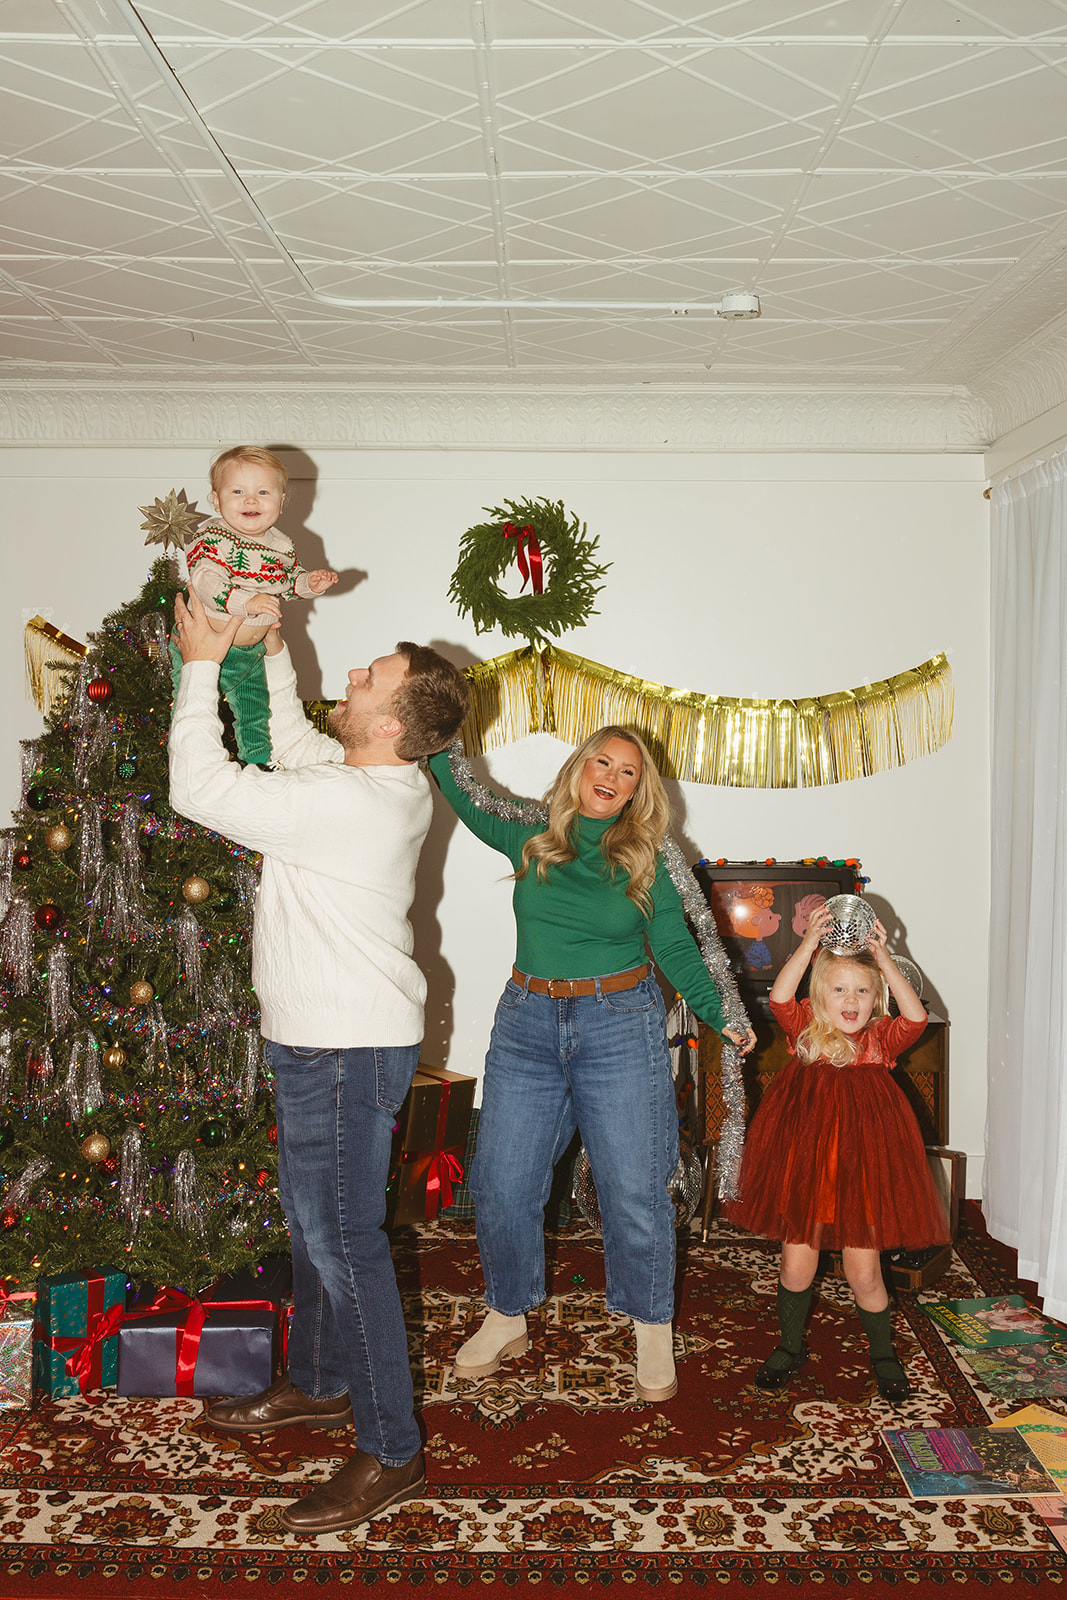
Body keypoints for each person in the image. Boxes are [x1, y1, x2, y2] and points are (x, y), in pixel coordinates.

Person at [168, 587, 469, 1534]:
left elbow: (200, 788)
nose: (350, 675)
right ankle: (323, 1382)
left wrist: (203, 660)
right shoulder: (372, 781)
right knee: (313, 1229)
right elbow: (298, 748)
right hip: (323, 1039)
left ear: (386, 721)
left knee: (345, 1244)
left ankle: (391, 1451)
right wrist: (269, 636)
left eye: (367, 675)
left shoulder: (351, 801)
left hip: (342, 1050)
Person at [427, 728, 755, 1402]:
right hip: (526, 1023)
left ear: (639, 790)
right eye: (601, 762)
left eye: (627, 772)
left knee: (634, 1188)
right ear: (578, 770)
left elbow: (675, 945)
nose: (611, 776)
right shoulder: (530, 839)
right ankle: (506, 1313)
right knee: (501, 1181)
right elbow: (463, 793)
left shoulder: (645, 859)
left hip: (618, 1024)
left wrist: (721, 1013)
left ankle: (650, 1325)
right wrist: (432, 733)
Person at [723, 902, 949, 1402]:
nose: (851, 1000)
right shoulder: (804, 1029)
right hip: (807, 1169)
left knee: (863, 1272)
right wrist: (807, 946)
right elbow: (781, 997)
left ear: (876, 999)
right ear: (820, 995)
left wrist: (884, 959)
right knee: (795, 1268)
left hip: (863, 1172)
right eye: (839, 989)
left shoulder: (880, 1039)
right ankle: (789, 1344)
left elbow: (915, 1016)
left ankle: (883, 1352)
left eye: (862, 992)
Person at [171, 446, 339, 765]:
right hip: (203, 651)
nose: (251, 500)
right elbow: (206, 582)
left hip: (250, 654)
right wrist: (247, 602)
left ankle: (259, 767)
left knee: (255, 715)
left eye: (263, 491)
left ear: (281, 501)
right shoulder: (213, 537)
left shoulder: (280, 546)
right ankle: (187, 763)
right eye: (238, 491)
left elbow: (289, 581)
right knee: (189, 708)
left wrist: (309, 583)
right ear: (216, 500)